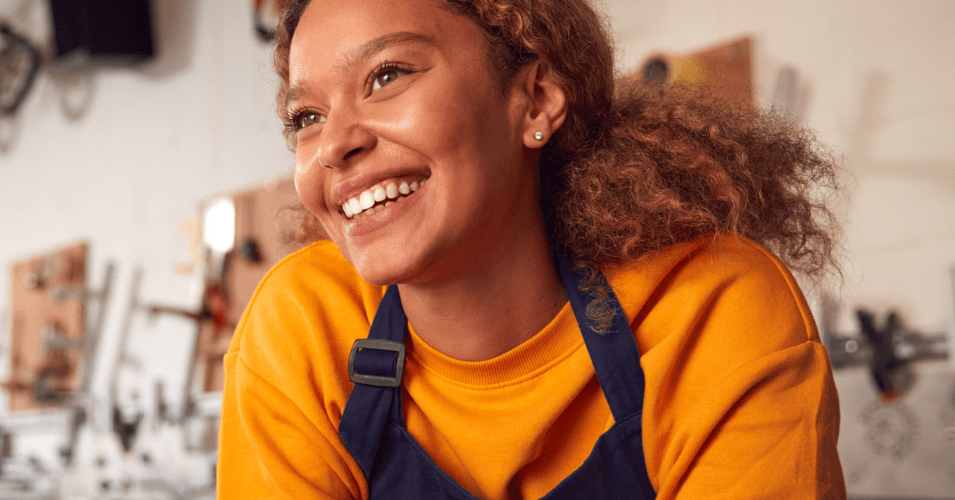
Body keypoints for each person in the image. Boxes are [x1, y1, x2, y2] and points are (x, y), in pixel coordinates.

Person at [217, 0, 846, 498]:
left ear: (536, 100)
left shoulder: (708, 306)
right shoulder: (301, 327)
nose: (334, 145)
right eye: (306, 117)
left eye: (387, 76)